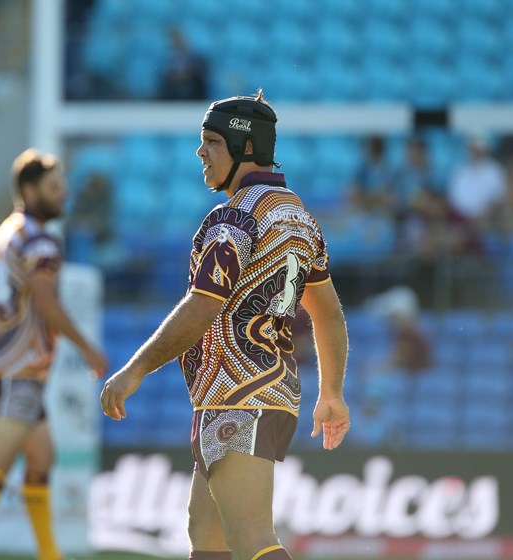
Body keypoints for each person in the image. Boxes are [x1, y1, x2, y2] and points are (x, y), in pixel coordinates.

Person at [100, 91, 350, 560]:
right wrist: (331, 393)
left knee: (252, 542)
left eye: (212, 142)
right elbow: (329, 312)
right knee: (207, 540)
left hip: (239, 394)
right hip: (260, 391)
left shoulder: (233, 217)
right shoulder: (299, 216)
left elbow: (201, 305)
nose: (201, 152)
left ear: (246, 148)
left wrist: (134, 369)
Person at [0, 149, 108, 560]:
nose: (63, 195)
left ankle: (49, 554)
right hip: (19, 364)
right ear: (30, 190)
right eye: (55, 188)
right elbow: (47, 302)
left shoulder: (6, 232)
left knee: (41, 455)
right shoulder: (39, 240)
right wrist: (89, 349)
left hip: (6, 360)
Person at [447, 136, 506, 227]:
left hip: (487, 220)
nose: (474, 152)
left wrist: (482, 218)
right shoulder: (459, 169)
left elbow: (499, 200)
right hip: (460, 219)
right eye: (472, 149)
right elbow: (453, 199)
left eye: (477, 149)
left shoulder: (495, 170)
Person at [159, 29, 208, 100]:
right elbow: (165, 72)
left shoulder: (194, 55)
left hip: (192, 82)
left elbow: (198, 70)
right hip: (173, 84)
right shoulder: (168, 56)